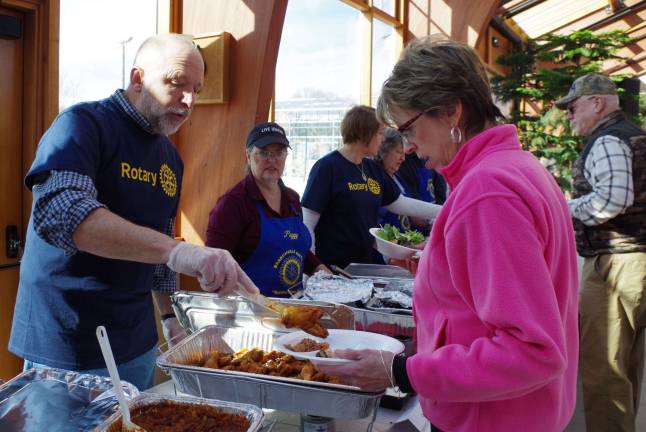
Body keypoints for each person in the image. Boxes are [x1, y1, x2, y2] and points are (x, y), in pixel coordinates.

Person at [318, 39, 579, 432]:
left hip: (492, 419)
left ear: (451, 112)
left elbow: (531, 351)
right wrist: (435, 267)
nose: (408, 145)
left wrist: (401, 372)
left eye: (410, 127)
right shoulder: (520, 167)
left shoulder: (488, 191)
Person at [8, 34, 258, 390]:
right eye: (176, 84)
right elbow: (63, 214)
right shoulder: (82, 125)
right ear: (138, 78)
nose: (188, 101)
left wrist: (169, 318)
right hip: (67, 342)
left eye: (197, 90)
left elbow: (160, 246)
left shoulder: (171, 159)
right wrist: (179, 251)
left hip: (136, 341)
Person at [555, 73, 646, 432]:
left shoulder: (607, 140)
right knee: (628, 369)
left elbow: (613, 200)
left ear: (597, 103)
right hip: (635, 261)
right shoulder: (634, 134)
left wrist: (564, 208)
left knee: (605, 372)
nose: (568, 116)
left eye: (573, 107)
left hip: (615, 264)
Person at [301, 105, 441, 269]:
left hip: (363, 265)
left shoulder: (372, 168)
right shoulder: (327, 167)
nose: (382, 140)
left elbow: (400, 203)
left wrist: (445, 210)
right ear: (363, 133)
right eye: (380, 133)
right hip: (332, 267)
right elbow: (307, 222)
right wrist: (314, 267)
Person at [205, 122, 329, 297]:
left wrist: (326, 276)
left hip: (293, 309)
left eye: (279, 153)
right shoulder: (233, 204)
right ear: (248, 155)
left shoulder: (292, 200)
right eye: (264, 153)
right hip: (249, 311)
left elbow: (296, 250)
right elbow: (213, 267)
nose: (272, 160)